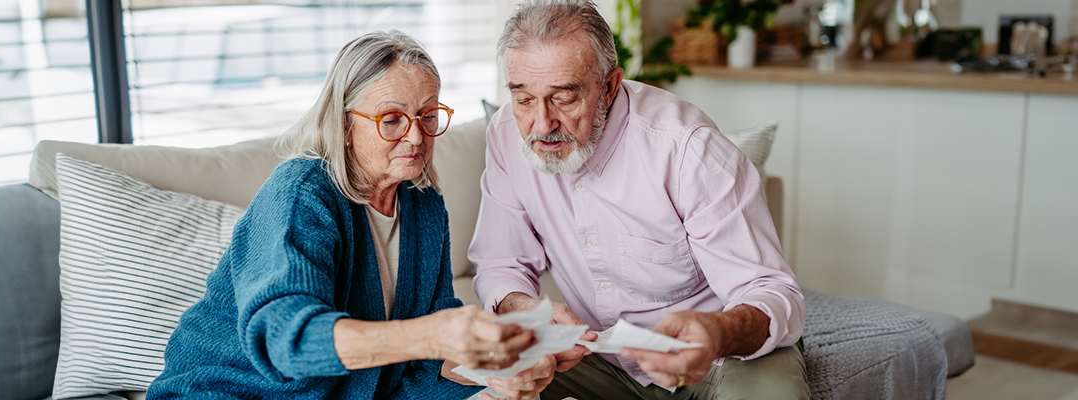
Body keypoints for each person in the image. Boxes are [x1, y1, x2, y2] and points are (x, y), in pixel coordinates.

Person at [147, 30, 548, 400]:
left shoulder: (424, 207)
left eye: (427, 117)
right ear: (343, 125)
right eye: (391, 120)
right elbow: (290, 341)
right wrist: (432, 336)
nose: (415, 136)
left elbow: (424, 363)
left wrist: (495, 368)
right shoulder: (302, 193)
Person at [470, 1, 810, 399]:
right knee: (475, 383)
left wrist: (717, 332)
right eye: (524, 99)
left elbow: (771, 291)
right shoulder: (507, 135)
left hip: (715, 355)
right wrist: (524, 309)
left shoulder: (687, 149)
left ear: (611, 86)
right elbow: (501, 263)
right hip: (596, 356)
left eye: (563, 98)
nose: (541, 125)